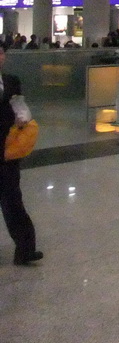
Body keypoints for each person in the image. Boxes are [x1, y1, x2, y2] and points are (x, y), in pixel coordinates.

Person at [0, 48, 43, 266]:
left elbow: (20, 108)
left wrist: (23, 119)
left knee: (12, 200)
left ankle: (25, 250)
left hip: (7, 150)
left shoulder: (11, 81)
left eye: (0, 54)